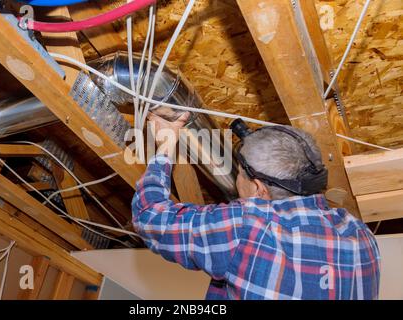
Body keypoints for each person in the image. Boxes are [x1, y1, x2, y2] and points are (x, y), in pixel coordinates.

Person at [131, 112, 380, 300]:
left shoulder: (248, 226)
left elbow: (149, 217)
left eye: (240, 173)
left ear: (260, 189)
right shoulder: (360, 233)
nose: (236, 179)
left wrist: (164, 147)